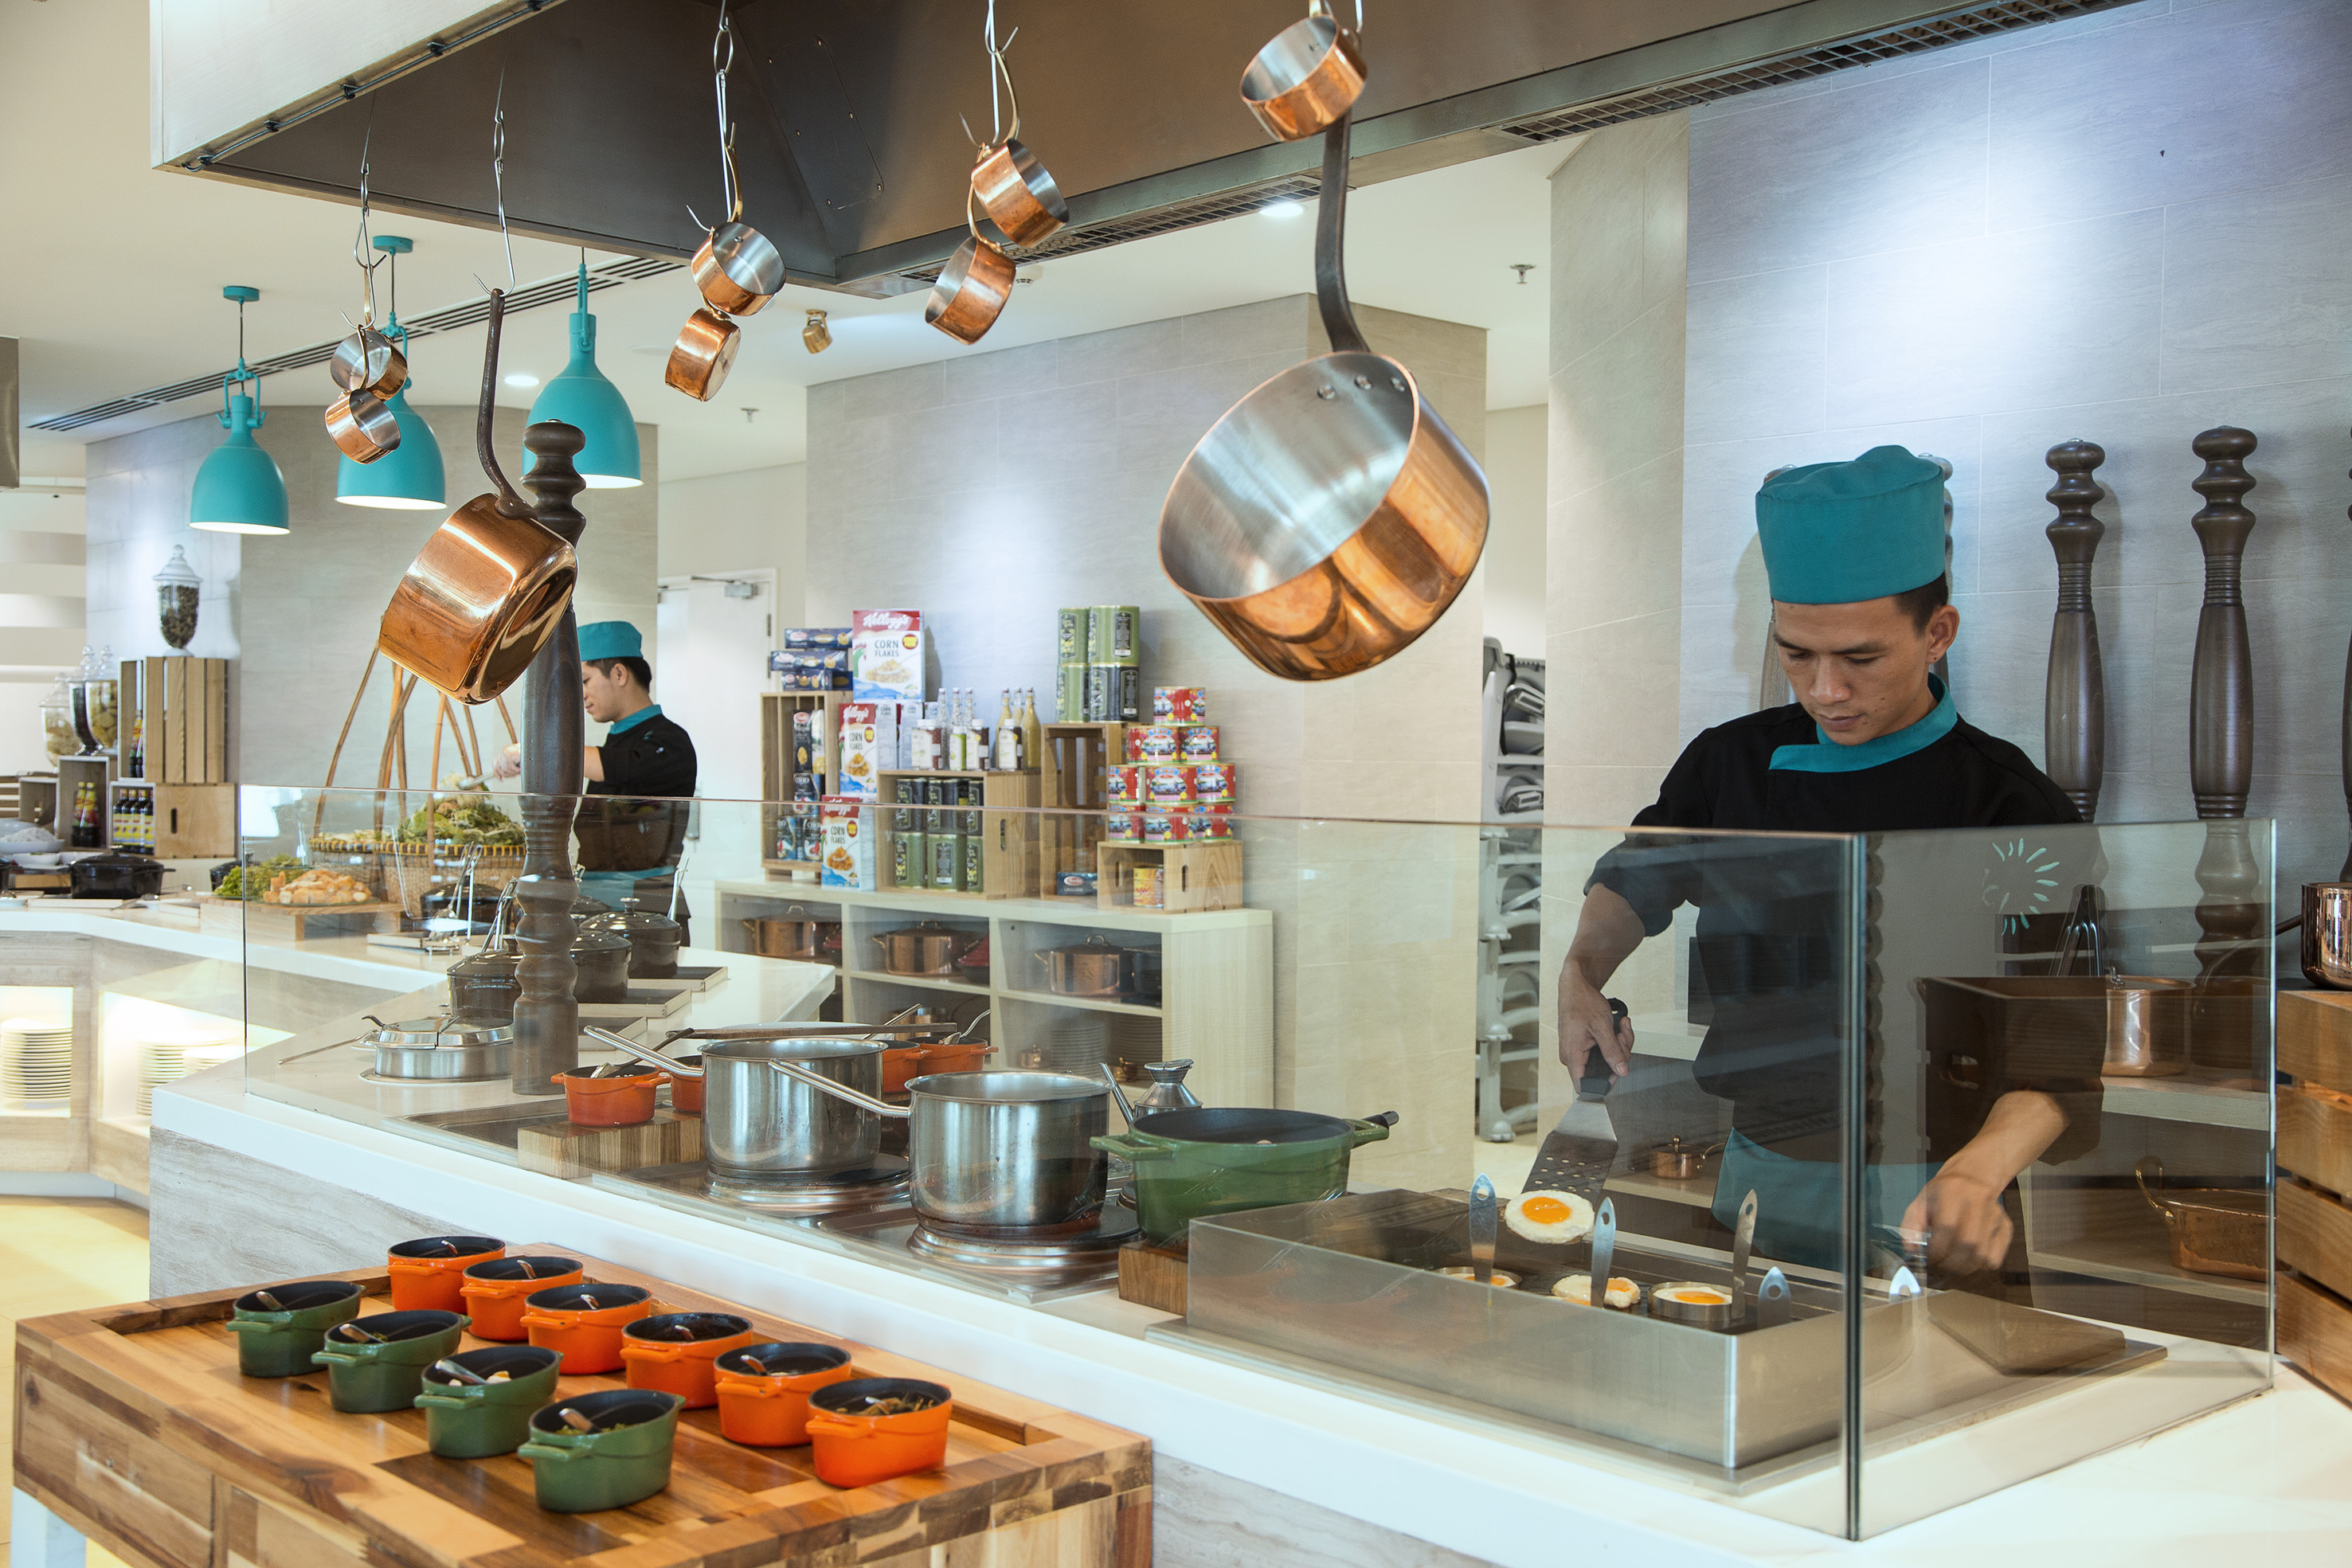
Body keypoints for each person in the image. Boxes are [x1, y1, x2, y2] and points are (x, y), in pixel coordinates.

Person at [1556, 446, 2087, 1275]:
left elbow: (2060, 1045)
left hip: (1940, 1187)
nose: (1823, 689)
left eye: (1860, 658)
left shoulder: (2012, 805)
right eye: (1797, 653)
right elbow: (1636, 880)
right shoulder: (1728, 766)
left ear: (1936, 633)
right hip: (1762, 1172)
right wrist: (1581, 972)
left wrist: (1978, 1172)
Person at [492, 620, 698, 925]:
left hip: (647, 910)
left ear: (619, 673)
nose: (581, 695)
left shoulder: (669, 741)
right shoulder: (617, 737)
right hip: (596, 901)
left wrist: (534, 748)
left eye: (585, 681)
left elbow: (614, 765)